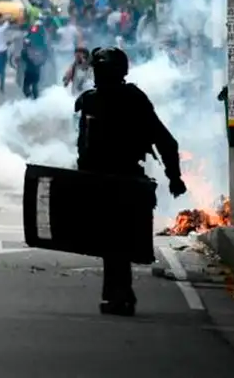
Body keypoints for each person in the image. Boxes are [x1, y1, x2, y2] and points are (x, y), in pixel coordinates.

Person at [75, 46, 186, 317]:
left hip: (113, 180)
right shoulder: (116, 100)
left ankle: (118, 293)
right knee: (115, 239)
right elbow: (165, 141)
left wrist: (174, 176)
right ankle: (118, 293)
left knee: (112, 240)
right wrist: (174, 177)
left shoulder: (102, 100)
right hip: (118, 180)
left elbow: (164, 141)